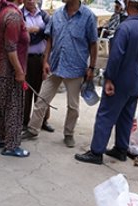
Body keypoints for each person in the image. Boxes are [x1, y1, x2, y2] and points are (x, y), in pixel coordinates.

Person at [75, 0, 138, 164]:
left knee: (106, 114)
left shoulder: (125, 27)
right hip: (135, 77)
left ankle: (96, 151)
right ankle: (121, 149)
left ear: (128, 3)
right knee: (126, 115)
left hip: (121, 77)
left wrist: (109, 78)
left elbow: (116, 56)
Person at [21, 0, 98, 148]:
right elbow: (50, 39)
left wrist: (92, 67)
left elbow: (93, 43)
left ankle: (69, 133)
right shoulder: (57, 15)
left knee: (73, 106)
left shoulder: (88, 16)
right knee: (42, 98)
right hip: (55, 65)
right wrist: (46, 61)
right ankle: (33, 129)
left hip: (76, 67)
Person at [0, 0, 30, 157]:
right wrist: (19, 72)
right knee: (13, 107)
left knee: (0, 105)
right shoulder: (13, 16)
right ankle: (12, 145)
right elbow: (11, 48)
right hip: (9, 70)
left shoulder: (2, 10)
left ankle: (2, 138)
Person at [21, 0, 54, 133]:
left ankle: (43, 120)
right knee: (26, 91)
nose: (31, 1)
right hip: (26, 59)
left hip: (42, 58)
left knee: (43, 91)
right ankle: (24, 121)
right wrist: (39, 34)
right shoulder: (20, 15)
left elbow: (49, 33)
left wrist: (36, 30)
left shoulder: (44, 15)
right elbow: (22, 36)